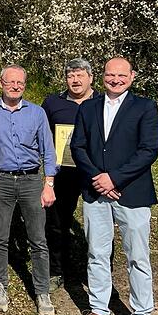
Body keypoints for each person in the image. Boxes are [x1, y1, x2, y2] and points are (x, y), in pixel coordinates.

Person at [70, 58, 158, 315]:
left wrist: (115, 178)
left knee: (137, 255)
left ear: (132, 77)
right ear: (102, 77)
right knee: (97, 251)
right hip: (96, 191)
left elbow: (149, 149)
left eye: (121, 75)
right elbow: (78, 147)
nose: (115, 79)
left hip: (131, 193)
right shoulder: (88, 107)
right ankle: (99, 309)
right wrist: (99, 177)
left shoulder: (145, 107)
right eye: (110, 74)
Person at [0, 64, 57, 315]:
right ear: (1, 83)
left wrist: (49, 184)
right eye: (11, 82)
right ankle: (0, 286)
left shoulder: (37, 113)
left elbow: (49, 151)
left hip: (31, 181)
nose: (16, 86)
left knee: (38, 240)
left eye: (20, 82)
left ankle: (42, 291)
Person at [41, 58, 99, 292]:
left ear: (90, 77)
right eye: (70, 76)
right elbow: (43, 135)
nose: (75, 80)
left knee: (98, 225)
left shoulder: (103, 102)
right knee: (56, 224)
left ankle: (99, 274)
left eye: (80, 75)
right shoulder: (53, 103)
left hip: (95, 173)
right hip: (62, 172)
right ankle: (56, 270)